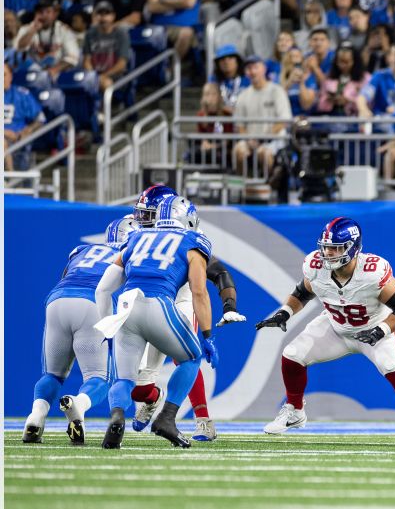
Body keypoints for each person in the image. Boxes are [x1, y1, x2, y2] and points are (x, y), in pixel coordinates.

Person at [254, 218, 395, 446]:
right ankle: (295, 410)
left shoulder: (371, 271)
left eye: (335, 248)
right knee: (292, 354)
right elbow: (303, 292)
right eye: (325, 246)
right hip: (336, 327)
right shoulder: (315, 266)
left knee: (393, 368)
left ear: (353, 247)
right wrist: (285, 313)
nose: (328, 252)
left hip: (373, 329)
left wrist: (380, 331)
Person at [92, 196, 216, 449]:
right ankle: (167, 418)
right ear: (189, 218)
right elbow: (199, 292)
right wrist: (207, 335)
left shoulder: (135, 237)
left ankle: (117, 414)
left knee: (123, 380)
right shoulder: (193, 241)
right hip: (159, 303)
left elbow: (103, 288)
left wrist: (108, 325)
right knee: (191, 358)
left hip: (126, 308)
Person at [122, 187, 246, 441]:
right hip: (146, 299)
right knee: (139, 385)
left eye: (148, 214)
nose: (141, 219)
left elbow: (219, 274)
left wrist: (229, 306)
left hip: (181, 298)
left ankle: (203, 421)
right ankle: (152, 396)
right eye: (141, 213)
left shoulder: (188, 237)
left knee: (186, 355)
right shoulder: (138, 236)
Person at [21, 216, 135, 444]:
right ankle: (79, 405)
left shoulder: (81, 250)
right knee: (99, 378)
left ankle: (36, 417)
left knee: (52, 375)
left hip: (57, 300)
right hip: (92, 304)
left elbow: (67, 275)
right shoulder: (132, 253)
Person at [233, 56, 293, 178]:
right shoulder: (243, 95)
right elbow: (240, 125)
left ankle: (268, 185)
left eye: (256, 67)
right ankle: (243, 186)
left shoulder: (277, 91)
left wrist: (264, 138)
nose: (253, 71)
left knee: (264, 153)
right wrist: (249, 140)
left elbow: (283, 121)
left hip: (274, 139)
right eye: (249, 68)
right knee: (239, 150)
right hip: (250, 139)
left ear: (264, 69)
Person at [14, 0, 81, 79]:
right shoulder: (27, 29)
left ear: (54, 14)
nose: (44, 15)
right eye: (40, 12)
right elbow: (18, 48)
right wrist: (33, 30)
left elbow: (72, 57)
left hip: (58, 74)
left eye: (48, 12)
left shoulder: (64, 30)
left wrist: (54, 70)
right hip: (32, 74)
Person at [3, 62, 45, 171]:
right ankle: (10, 179)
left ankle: (10, 180)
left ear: (11, 76)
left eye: (4, 75)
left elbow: (40, 118)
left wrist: (27, 130)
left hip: (17, 142)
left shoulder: (21, 94)